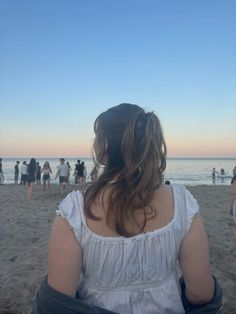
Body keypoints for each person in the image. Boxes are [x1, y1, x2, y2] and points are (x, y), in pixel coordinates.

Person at [34, 104, 222, 313]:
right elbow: (201, 293)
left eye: (96, 136)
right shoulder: (182, 202)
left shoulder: (75, 210)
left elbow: (57, 302)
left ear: (104, 146)